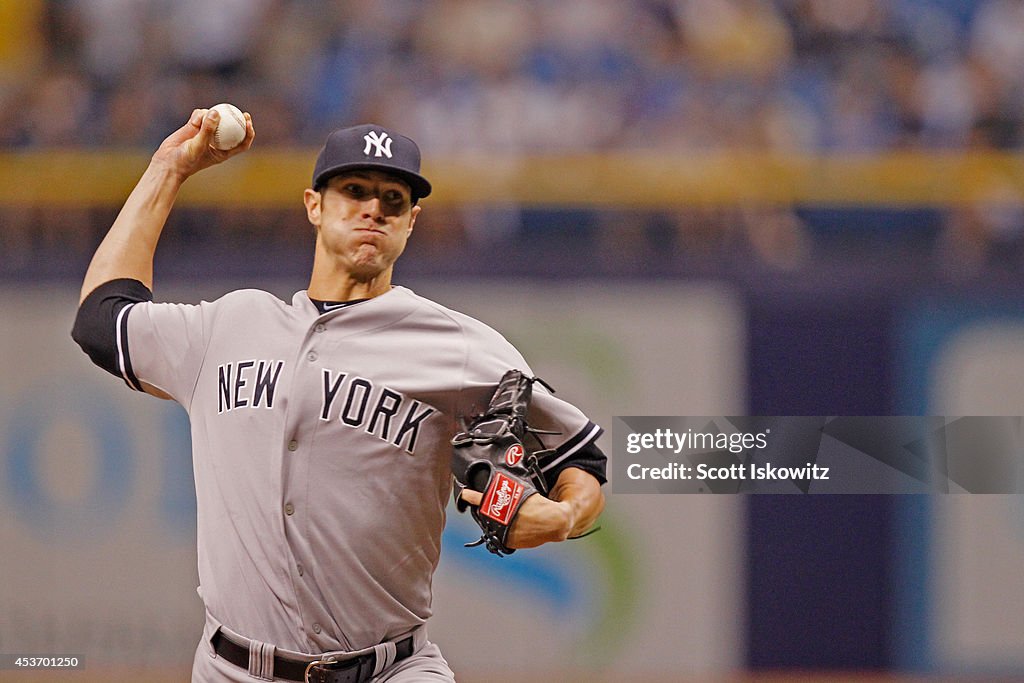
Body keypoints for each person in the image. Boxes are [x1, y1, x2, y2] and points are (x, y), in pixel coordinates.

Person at [72, 107, 607, 682]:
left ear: (410, 221)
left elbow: (582, 461)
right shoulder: (227, 328)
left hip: (392, 670)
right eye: (354, 190)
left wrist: (562, 516)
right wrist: (167, 169)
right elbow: (102, 321)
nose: (374, 208)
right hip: (233, 669)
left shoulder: (458, 347)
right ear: (314, 206)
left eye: (393, 199)